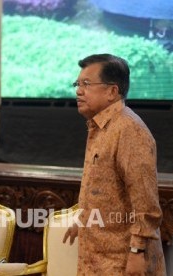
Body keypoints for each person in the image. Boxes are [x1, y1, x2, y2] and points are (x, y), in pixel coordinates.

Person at [63, 53, 166, 275]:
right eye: (77, 84)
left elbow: (145, 200)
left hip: (122, 261)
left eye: (87, 84)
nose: (78, 91)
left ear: (112, 91)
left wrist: (138, 251)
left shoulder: (129, 129)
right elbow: (105, 191)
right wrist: (83, 220)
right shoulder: (101, 127)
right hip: (97, 258)